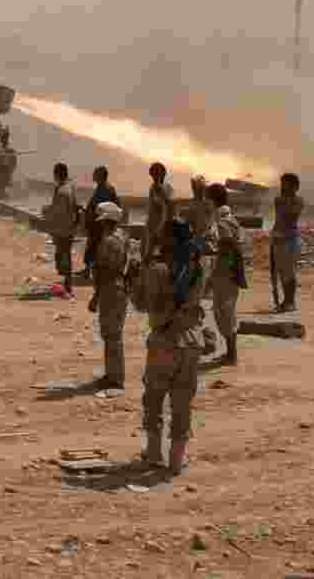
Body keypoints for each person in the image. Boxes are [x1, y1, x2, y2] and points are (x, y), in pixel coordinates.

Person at [132, 218, 210, 475]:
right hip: (191, 341)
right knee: (182, 402)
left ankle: (154, 454)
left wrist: (139, 272)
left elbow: (142, 303)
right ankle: (176, 460)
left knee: (154, 398)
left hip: (165, 340)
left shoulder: (157, 269)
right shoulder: (198, 265)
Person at [88, 202, 130, 389]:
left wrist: (96, 297)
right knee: (114, 334)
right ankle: (113, 375)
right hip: (119, 287)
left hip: (110, 288)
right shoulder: (122, 236)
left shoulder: (109, 241)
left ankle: (115, 378)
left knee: (111, 334)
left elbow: (105, 271)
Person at [205, 183, 246, 366]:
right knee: (223, 311)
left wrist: (216, 251)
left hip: (225, 272)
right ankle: (230, 353)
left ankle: (232, 355)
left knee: (224, 312)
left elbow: (229, 243)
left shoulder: (222, 221)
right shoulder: (226, 217)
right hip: (226, 270)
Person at [44, 162, 79, 298]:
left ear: (57, 174)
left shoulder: (62, 191)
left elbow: (57, 212)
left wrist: (47, 213)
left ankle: (68, 285)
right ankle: (67, 284)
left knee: (63, 257)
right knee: (64, 256)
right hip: (68, 228)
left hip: (62, 229)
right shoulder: (69, 187)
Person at [271, 172, 304, 312]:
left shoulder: (298, 201)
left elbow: (291, 216)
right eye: (282, 183)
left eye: (286, 184)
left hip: (290, 239)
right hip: (279, 238)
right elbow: (280, 215)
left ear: (295, 187)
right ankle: (286, 301)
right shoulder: (279, 199)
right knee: (282, 272)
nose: (283, 186)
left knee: (289, 273)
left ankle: (290, 301)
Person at [80, 166, 121, 278]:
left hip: (100, 224)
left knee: (94, 247)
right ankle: (88, 270)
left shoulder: (105, 189)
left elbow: (102, 207)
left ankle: (90, 271)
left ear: (101, 175)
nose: (93, 175)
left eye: (95, 173)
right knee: (92, 247)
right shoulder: (102, 187)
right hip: (97, 223)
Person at [143, 162, 174, 263]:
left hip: (162, 227)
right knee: (148, 256)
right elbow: (152, 208)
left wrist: (160, 227)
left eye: (156, 174)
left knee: (162, 256)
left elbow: (168, 207)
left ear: (163, 174)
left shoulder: (167, 188)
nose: (154, 177)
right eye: (152, 174)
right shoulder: (152, 187)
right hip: (152, 226)